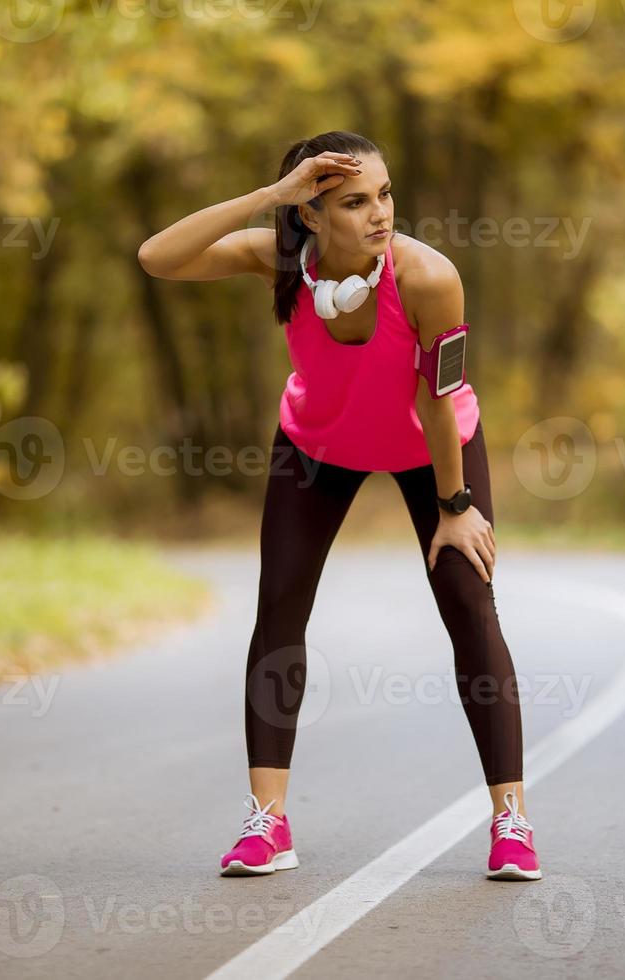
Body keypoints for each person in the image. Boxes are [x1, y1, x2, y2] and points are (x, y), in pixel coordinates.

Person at [137, 130, 539, 881]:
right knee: (279, 608)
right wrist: (268, 202)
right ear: (313, 214)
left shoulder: (429, 278)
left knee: (469, 605)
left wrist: (456, 508)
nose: (380, 213)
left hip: (434, 450)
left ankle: (511, 821)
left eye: (384, 194)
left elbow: (441, 399)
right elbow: (157, 257)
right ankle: (269, 823)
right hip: (316, 444)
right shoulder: (282, 257)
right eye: (355, 202)